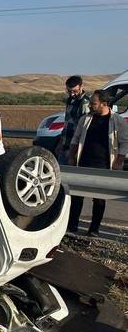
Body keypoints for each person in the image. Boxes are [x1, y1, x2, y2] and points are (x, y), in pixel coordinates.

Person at [67, 89, 128, 236]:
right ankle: (72, 226)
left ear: (104, 104)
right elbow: (76, 138)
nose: (90, 106)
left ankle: (94, 230)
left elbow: (124, 142)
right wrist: (72, 156)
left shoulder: (117, 121)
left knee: (99, 200)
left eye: (93, 104)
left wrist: (119, 161)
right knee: (76, 197)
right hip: (84, 161)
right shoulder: (86, 119)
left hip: (104, 164)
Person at [59, 75, 91, 163]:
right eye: (69, 91)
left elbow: (84, 129)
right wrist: (60, 143)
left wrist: (74, 151)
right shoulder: (69, 100)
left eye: (75, 91)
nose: (72, 94)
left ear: (81, 87)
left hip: (74, 147)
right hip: (65, 144)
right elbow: (67, 124)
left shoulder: (85, 103)